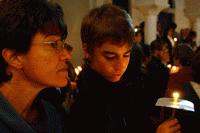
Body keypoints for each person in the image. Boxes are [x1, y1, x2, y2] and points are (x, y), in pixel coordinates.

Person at [69, 4, 181, 133]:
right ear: (87, 50)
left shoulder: (126, 85)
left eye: (126, 55)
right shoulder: (86, 102)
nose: (121, 65)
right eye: (110, 56)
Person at [0, 0, 70, 132]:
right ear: (14, 57)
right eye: (53, 44)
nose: (66, 55)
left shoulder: (52, 116)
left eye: (63, 44)